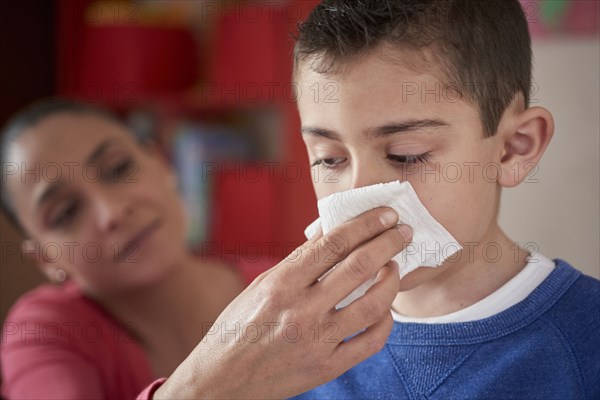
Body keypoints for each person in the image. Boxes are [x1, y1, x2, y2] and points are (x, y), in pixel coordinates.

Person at [0, 99, 414, 399]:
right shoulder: (44, 330)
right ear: (45, 257)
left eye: (118, 169)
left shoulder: (297, 287)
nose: (112, 211)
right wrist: (218, 382)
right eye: (67, 211)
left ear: (161, 163)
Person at [290, 0, 600, 399]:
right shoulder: (299, 353)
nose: (357, 195)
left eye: (406, 154)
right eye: (329, 159)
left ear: (513, 148)